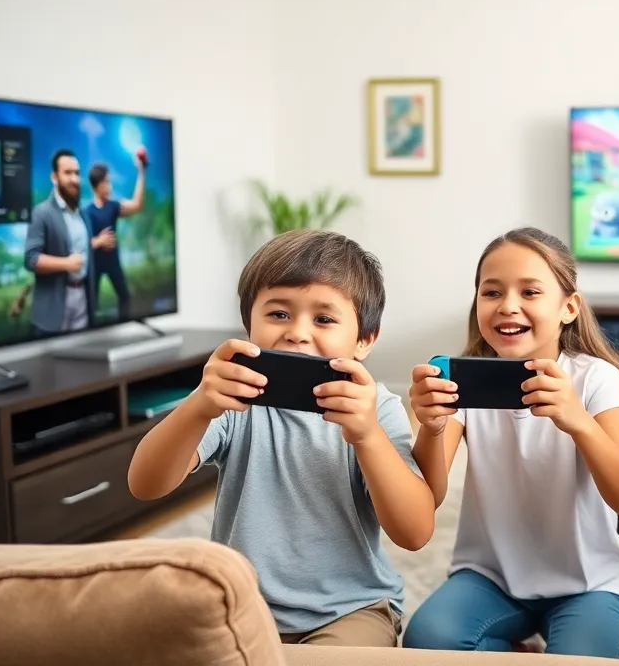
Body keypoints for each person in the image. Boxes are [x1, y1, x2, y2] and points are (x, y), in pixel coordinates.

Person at [403, 227, 619, 663]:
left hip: (589, 582)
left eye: (530, 291)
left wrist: (579, 422)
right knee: (426, 644)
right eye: (491, 291)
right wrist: (432, 427)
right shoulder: (464, 383)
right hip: (491, 577)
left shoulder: (596, 380)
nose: (508, 305)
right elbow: (427, 499)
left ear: (568, 308)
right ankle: (523, 646)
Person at [127, 229, 434, 648]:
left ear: (365, 340)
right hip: (240, 604)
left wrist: (367, 436)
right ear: (248, 325)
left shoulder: (377, 409)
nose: (297, 333)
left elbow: (414, 533)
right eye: (278, 314)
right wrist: (199, 405)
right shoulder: (234, 402)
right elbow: (145, 484)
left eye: (323, 318)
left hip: (349, 609)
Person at [23, 150, 113, 334]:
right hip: (54, 308)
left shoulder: (83, 215)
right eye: (67, 173)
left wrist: (98, 242)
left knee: (80, 359)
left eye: (77, 173)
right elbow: (30, 258)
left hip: (83, 301)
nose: (74, 179)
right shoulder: (41, 213)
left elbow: (82, 249)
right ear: (54, 177)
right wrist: (66, 264)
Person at [83, 148, 147, 321]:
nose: (110, 186)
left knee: (125, 296)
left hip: (113, 262)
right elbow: (78, 245)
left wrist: (141, 171)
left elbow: (137, 204)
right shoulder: (86, 212)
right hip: (94, 265)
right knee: (90, 303)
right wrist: (98, 241)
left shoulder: (113, 206)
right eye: (106, 182)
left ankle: (123, 327)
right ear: (97, 185)